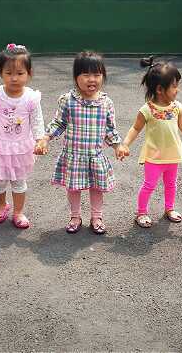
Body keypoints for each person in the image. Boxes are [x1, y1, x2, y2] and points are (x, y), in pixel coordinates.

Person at [36, 51, 126, 235]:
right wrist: (45, 138)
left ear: (103, 76)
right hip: (74, 156)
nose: (91, 79)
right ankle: (75, 216)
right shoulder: (68, 100)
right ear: (76, 77)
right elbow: (59, 123)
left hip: (95, 156)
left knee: (96, 188)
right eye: (86, 75)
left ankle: (97, 217)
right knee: (73, 188)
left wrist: (118, 145)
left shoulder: (106, 103)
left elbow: (110, 129)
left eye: (97, 75)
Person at [117, 56, 182, 228]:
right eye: (174, 86)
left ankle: (169, 209)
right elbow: (135, 128)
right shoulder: (147, 110)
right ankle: (141, 212)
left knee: (171, 184)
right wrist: (125, 144)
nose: (178, 90)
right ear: (159, 89)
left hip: (172, 155)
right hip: (154, 157)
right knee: (149, 185)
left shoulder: (177, 107)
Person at [0, 43, 44, 229]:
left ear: (29, 73)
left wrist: (40, 141)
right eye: (8, 73)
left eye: (20, 73)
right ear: (1, 73)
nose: (14, 78)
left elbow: (37, 121)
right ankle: (1, 205)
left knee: (19, 182)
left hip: (21, 148)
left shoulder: (31, 98)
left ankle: (18, 212)